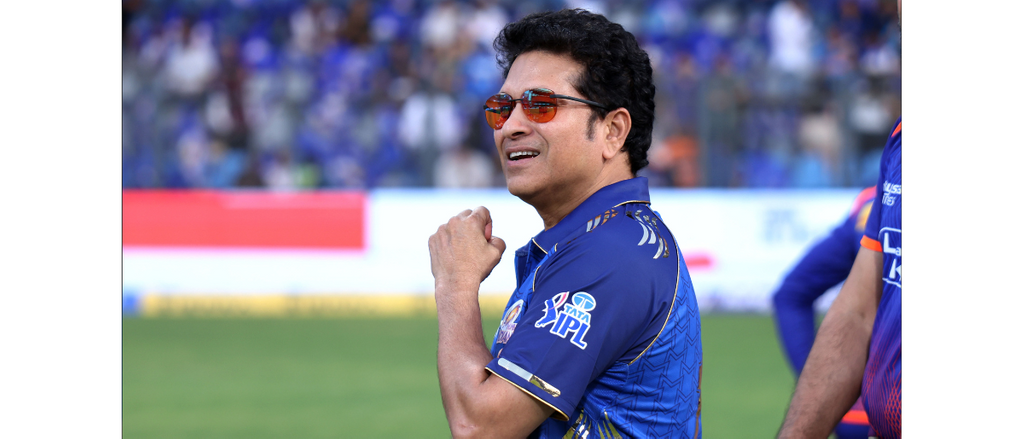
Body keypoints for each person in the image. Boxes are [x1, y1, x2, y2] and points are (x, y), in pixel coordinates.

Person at [427, 9, 703, 438]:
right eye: (502, 108)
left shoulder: (610, 254)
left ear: (613, 131)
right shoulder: (607, 239)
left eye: (540, 105)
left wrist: (456, 284)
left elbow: (479, 427)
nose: (511, 126)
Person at [771, 186, 877, 439]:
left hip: (866, 412)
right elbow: (792, 294)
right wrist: (821, 386)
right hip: (880, 411)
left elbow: (791, 294)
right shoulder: (877, 202)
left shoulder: (875, 201)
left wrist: (822, 390)